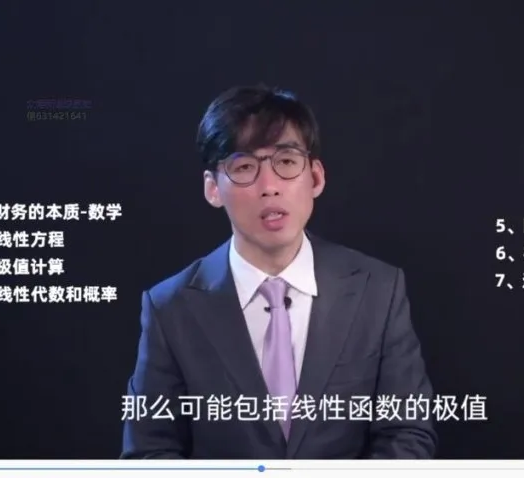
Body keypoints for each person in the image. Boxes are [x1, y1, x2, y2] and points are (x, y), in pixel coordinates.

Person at [121, 85, 437, 459]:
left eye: (286, 162)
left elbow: (407, 432)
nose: (269, 187)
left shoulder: (379, 290)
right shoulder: (169, 307)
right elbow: (149, 452)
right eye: (244, 167)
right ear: (213, 189)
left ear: (315, 177)